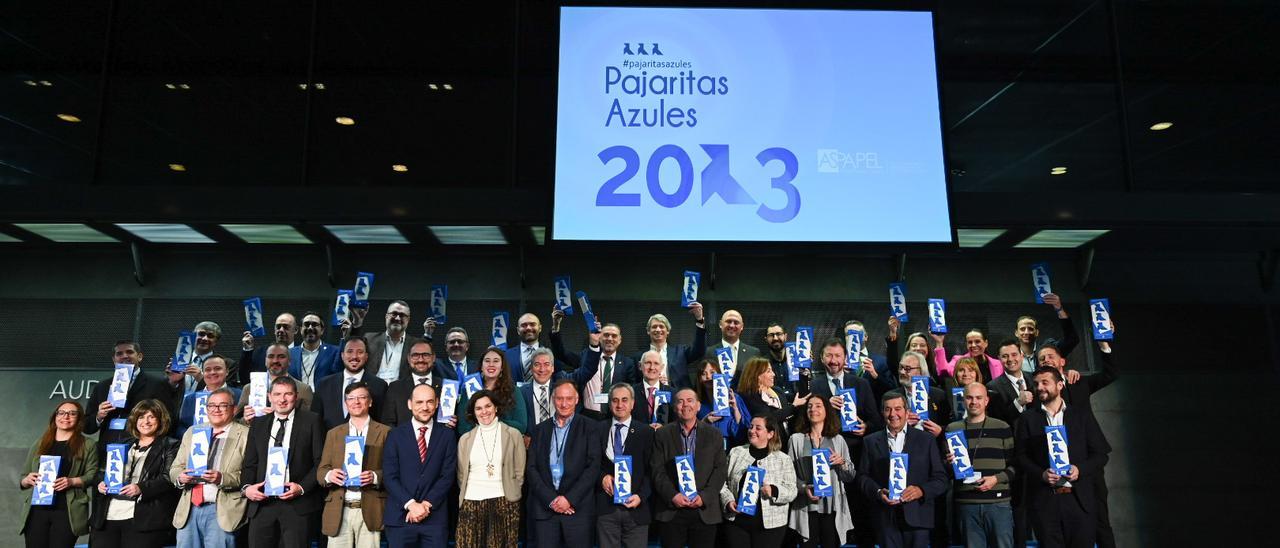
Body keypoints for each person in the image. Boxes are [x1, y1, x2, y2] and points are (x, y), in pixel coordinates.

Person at [1013, 367, 1110, 548]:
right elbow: (1021, 457)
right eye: (1036, 384)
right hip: (1045, 502)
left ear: (1060, 385)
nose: (1040, 387)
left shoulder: (1081, 415)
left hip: (1079, 501)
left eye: (1045, 382)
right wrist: (1041, 474)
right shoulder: (1028, 419)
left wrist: (1079, 469)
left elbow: (1101, 455)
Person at [1036, 338, 1118, 548]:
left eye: (1050, 356)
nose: (1046, 360)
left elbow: (1110, 374)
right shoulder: (1037, 390)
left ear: (1062, 361)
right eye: (1041, 358)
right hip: (1053, 475)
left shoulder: (1078, 381)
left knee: (1100, 522)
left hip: (1086, 466)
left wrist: (1104, 345)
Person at [240, 377, 326, 548]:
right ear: (269, 397)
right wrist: (246, 488)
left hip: (297, 505)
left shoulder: (312, 421)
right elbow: (250, 463)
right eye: (277, 394)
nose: (282, 399)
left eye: (288, 394)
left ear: (296, 396)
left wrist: (301, 488)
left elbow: (320, 462)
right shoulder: (258, 423)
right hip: (262, 504)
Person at [858, 393, 949, 548]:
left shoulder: (926, 440)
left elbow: (941, 479)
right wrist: (879, 492)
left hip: (918, 517)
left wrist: (921, 490)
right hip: (885, 519)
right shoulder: (870, 441)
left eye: (898, 409)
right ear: (882, 413)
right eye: (888, 409)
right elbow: (862, 477)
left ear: (907, 412)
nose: (893, 414)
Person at [89, 398, 180, 547]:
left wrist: (141, 488)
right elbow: (100, 472)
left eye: (151, 417)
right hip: (108, 516)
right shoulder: (121, 443)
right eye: (141, 417)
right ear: (135, 420)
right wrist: (100, 482)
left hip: (143, 519)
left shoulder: (171, 445)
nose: (146, 421)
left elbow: (168, 478)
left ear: (160, 420)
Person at [170, 387, 250, 548]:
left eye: (223, 405)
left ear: (234, 409)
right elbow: (175, 468)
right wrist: (180, 477)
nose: (216, 409)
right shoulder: (193, 432)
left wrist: (222, 478)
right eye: (212, 406)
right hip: (189, 509)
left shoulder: (246, 435)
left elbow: (251, 475)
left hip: (222, 511)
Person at [382, 383, 458, 547]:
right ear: (410, 404)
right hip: (400, 519)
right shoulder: (394, 435)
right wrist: (411, 505)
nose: (425, 407)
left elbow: (447, 476)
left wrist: (424, 505)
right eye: (419, 402)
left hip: (435, 520)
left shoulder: (447, 436)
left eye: (430, 402)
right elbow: (389, 477)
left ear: (437, 403)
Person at [650, 387, 727, 548]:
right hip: (671, 510)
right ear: (674, 407)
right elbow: (657, 471)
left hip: (704, 510)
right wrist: (673, 495)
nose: (685, 405)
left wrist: (704, 497)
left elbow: (720, 471)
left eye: (690, 400)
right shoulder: (662, 434)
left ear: (698, 406)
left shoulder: (714, 435)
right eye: (680, 401)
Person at [527, 380, 600, 546]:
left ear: (577, 399)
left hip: (577, 511)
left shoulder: (590, 427)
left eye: (569, 398)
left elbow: (593, 468)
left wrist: (569, 499)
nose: (564, 403)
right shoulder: (539, 430)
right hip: (545, 511)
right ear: (553, 399)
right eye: (559, 398)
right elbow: (531, 469)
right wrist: (552, 500)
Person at [316, 381, 389, 548]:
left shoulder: (385, 432)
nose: (356, 402)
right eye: (351, 398)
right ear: (346, 403)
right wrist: (329, 475)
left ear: (370, 402)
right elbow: (321, 470)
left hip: (370, 508)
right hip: (339, 509)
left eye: (361, 397)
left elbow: (393, 471)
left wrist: (375, 476)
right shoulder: (333, 433)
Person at [18, 400, 99, 548]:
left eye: (72, 413)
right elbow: (23, 476)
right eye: (61, 413)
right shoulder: (40, 443)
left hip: (67, 511)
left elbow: (93, 475)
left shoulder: (88, 444)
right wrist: (27, 480)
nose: (66, 416)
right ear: (55, 417)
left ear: (79, 418)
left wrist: (72, 482)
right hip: (37, 510)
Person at [946, 383, 1015, 548]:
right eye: (969, 397)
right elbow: (944, 472)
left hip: (998, 503)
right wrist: (948, 464)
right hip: (966, 504)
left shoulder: (1002, 427)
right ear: (963, 400)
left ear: (986, 401)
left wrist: (996, 479)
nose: (973, 402)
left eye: (978, 398)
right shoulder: (952, 429)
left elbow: (1015, 466)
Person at [455, 390, 525, 548]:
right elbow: (461, 475)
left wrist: (510, 491)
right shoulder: (465, 440)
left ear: (496, 408)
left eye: (488, 406)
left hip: (504, 502)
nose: (484, 411)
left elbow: (519, 472)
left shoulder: (513, 435)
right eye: (478, 408)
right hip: (470, 502)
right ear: (473, 412)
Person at [787, 395, 857, 548]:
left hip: (832, 506)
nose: (813, 409)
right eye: (809, 406)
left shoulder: (838, 440)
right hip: (806, 505)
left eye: (818, 405)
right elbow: (789, 476)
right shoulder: (796, 439)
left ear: (827, 411)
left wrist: (842, 463)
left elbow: (850, 476)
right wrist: (804, 489)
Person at [86, 341, 181, 448]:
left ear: (139, 356)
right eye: (119, 354)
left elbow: (169, 419)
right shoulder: (101, 387)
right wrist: (99, 417)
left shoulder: (158, 384)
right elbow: (87, 427)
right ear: (114, 359)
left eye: (129, 352)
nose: (125, 356)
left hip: (143, 450)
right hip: (107, 450)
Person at [720, 416, 796, 548]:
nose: (752, 430)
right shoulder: (735, 452)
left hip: (771, 526)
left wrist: (774, 490)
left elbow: (792, 490)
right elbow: (722, 483)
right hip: (737, 524)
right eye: (751, 427)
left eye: (758, 428)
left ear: (770, 434)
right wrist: (728, 501)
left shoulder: (783, 459)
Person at [596, 383, 655, 548]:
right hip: (606, 509)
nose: (619, 405)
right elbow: (591, 464)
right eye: (615, 400)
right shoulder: (598, 429)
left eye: (624, 400)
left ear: (632, 403)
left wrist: (641, 496)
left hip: (636, 509)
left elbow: (653, 471)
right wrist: (602, 477)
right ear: (609, 404)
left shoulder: (646, 432)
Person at [551, 317, 637, 418]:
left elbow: (632, 392)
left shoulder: (628, 363)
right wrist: (555, 328)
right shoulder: (586, 357)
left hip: (615, 417)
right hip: (587, 416)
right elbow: (561, 354)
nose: (610, 339)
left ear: (619, 340)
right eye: (606, 335)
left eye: (614, 336)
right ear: (599, 337)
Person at [313, 336, 390, 430]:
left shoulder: (379, 386)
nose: (354, 356)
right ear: (342, 355)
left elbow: (382, 422)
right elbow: (315, 423)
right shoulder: (323, 385)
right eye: (350, 351)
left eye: (360, 352)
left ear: (366, 356)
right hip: (331, 443)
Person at [457, 347, 529, 435]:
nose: (491, 364)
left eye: (496, 361)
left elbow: (521, 426)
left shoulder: (513, 391)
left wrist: (493, 421)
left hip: (505, 443)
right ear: (481, 367)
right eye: (487, 361)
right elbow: (462, 427)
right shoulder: (468, 390)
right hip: (475, 442)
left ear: (502, 367)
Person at [634, 304, 707, 390]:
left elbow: (699, 350)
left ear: (668, 331)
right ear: (648, 331)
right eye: (654, 327)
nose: (658, 330)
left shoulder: (680, 352)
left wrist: (699, 320)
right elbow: (635, 383)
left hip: (678, 398)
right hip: (650, 399)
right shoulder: (639, 357)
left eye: (661, 326)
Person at [383, 341, 453, 428]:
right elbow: (388, 423)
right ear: (408, 358)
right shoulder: (395, 388)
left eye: (426, 355)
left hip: (439, 440)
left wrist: (453, 422)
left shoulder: (448, 387)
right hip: (404, 440)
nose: (420, 360)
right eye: (415, 355)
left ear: (433, 358)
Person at [239, 342, 315, 419]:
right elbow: (235, 421)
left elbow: (310, 423)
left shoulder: (304, 390)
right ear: (265, 361)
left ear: (289, 361)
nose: (275, 361)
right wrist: (245, 420)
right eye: (271, 356)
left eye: (281, 357)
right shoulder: (249, 389)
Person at [350, 300, 419, 385]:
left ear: (408, 320)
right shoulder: (369, 339)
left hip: (401, 393)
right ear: (386, 316)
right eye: (394, 314)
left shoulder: (416, 345)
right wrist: (357, 323)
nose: (397, 318)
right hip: (371, 390)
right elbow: (352, 348)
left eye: (402, 315)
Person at [738, 356, 805, 438]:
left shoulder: (777, 391)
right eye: (768, 371)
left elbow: (792, 407)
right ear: (757, 375)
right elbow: (768, 419)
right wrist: (792, 407)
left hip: (786, 438)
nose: (773, 374)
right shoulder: (748, 396)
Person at [1014, 293, 1079, 374]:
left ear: (1037, 332)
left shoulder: (1048, 349)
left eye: (1030, 329)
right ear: (1016, 333)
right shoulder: (1010, 354)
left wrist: (1059, 309)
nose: (1026, 332)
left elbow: (1072, 340)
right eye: (1022, 329)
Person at [693, 358, 752, 448]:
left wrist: (735, 408)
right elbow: (689, 434)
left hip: (732, 448)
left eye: (712, 372)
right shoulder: (695, 402)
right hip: (706, 449)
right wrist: (704, 422)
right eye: (703, 374)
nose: (708, 377)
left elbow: (745, 430)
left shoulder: (734, 398)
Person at [177, 355, 241, 435]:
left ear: (227, 371)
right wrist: (191, 436)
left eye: (218, 368)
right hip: (195, 444)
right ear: (203, 373)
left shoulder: (240, 395)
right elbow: (182, 426)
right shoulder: (191, 399)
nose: (212, 372)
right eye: (208, 370)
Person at [703, 309, 761, 387]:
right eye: (728, 321)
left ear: (742, 327)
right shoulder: (709, 352)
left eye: (736, 322)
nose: (732, 325)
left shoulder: (753, 353)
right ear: (720, 324)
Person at [240, 312, 298, 386]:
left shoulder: (301, 353)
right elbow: (245, 379)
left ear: (296, 330)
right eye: (278, 327)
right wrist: (247, 350)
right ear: (274, 330)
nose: (281, 330)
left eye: (286, 327)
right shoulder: (260, 352)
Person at [289, 312, 343, 390]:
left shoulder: (334, 352)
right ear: (301, 329)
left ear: (322, 330)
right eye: (306, 324)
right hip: (297, 399)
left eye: (314, 324)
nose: (310, 328)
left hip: (323, 400)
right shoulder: (290, 353)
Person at [932, 328, 1003, 383]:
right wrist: (939, 342)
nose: (973, 345)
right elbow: (943, 371)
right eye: (970, 342)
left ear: (986, 343)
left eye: (977, 341)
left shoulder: (999, 364)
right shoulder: (958, 360)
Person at [632, 350, 675, 428]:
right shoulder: (631, 392)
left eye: (656, 363)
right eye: (648, 363)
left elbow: (676, 422)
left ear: (662, 367)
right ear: (640, 366)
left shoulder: (673, 393)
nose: (652, 367)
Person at [507, 312, 548, 383]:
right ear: (518, 330)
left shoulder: (549, 354)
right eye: (524, 325)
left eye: (532, 324)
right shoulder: (506, 355)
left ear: (540, 328)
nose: (528, 328)